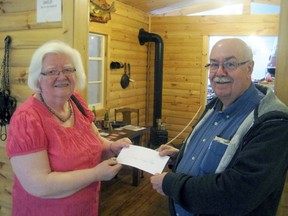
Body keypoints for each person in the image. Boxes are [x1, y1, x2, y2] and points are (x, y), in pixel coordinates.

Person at [150, 38, 288, 216]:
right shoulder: (214, 105)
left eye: (230, 64)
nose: (219, 72)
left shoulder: (273, 122)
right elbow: (216, 155)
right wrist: (180, 156)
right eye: (214, 64)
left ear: (250, 68)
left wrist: (170, 184)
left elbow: (237, 194)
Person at [6, 40, 131, 216]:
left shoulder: (75, 101)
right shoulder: (27, 119)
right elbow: (39, 185)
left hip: (85, 208)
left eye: (67, 69)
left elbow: (93, 139)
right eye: (51, 71)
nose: (62, 76)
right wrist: (95, 174)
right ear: (38, 78)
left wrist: (111, 146)